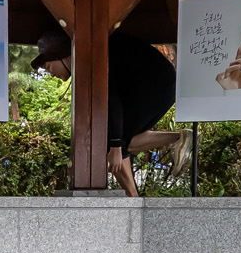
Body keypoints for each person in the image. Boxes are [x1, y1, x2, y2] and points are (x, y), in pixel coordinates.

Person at [33, 27, 184, 195]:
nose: (50, 74)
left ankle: (132, 200)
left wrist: (116, 147)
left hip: (155, 85)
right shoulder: (90, 53)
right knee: (119, 141)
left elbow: (112, 101)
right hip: (161, 84)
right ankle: (180, 138)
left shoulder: (91, 57)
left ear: (61, 55)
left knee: (111, 142)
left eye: (48, 67)